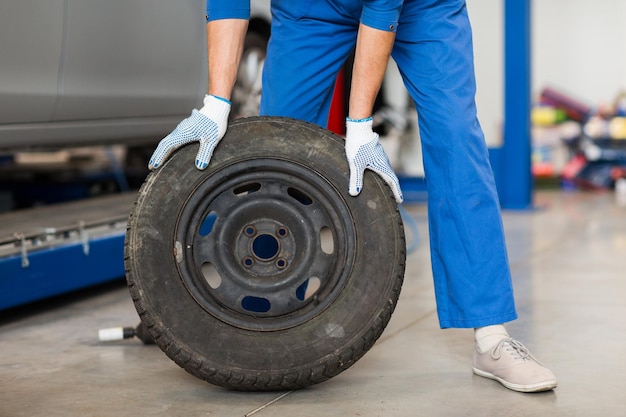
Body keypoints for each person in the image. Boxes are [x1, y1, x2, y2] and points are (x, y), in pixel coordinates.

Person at [149, 0, 557, 393]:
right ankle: (259, 317)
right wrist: (215, 104)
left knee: (457, 141)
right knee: (277, 150)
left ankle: (491, 335)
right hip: (309, 10)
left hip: (423, 8)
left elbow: (382, 7)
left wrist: (359, 125)